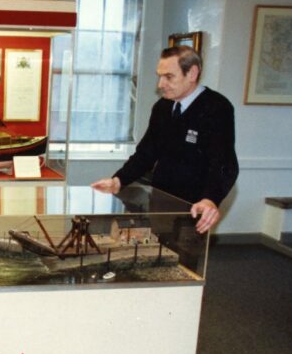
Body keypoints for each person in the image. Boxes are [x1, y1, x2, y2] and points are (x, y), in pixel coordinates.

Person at [91, 45, 238, 234]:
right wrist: (119, 180)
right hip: (160, 201)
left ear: (192, 73)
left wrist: (210, 199)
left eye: (169, 77)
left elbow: (225, 164)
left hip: (193, 207)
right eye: (160, 76)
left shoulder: (217, 108)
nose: (160, 84)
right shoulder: (162, 107)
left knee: (184, 261)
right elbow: (146, 153)